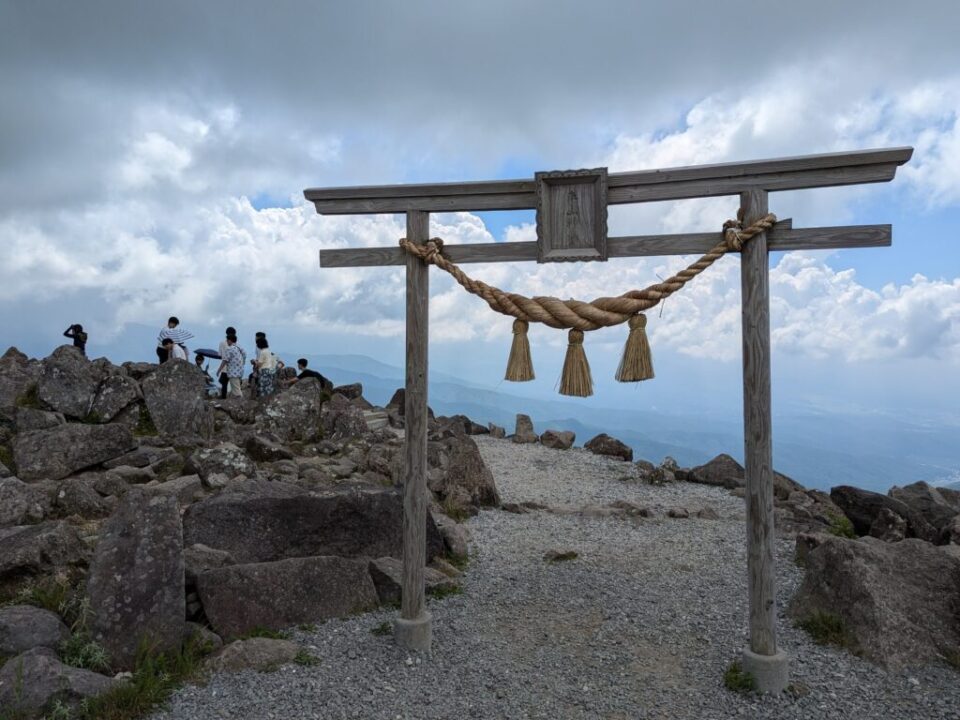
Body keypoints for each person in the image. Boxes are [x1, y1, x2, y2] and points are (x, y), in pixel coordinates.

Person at [217, 326, 237, 399]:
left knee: (224, 383)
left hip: (225, 367)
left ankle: (223, 398)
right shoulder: (236, 344)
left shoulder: (222, 343)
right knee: (234, 384)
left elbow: (220, 355)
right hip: (235, 368)